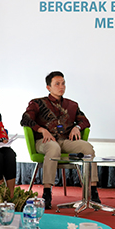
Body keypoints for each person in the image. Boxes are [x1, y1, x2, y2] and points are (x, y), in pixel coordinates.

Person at [21, 71, 99, 210]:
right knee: (53, 147)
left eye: (63, 83)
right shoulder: (37, 103)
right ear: (48, 87)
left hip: (65, 141)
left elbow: (85, 121)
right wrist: (42, 130)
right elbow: (25, 119)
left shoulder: (72, 105)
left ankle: (92, 191)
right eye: (57, 84)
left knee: (87, 148)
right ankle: (47, 192)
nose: (61, 86)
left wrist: (77, 127)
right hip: (45, 141)